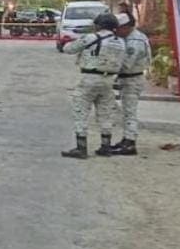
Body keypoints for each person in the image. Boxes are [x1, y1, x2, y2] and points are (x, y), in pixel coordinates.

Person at [61, 12, 127, 159]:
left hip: (90, 78)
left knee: (81, 111)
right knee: (105, 113)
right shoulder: (121, 42)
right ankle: (105, 146)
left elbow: (69, 49)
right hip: (109, 80)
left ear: (99, 25)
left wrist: (67, 43)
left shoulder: (91, 38)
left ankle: (81, 147)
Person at [111, 10, 150, 156]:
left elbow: (126, 64)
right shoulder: (131, 38)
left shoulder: (135, 42)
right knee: (127, 111)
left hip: (132, 79)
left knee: (129, 112)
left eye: (119, 28)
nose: (117, 31)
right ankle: (126, 139)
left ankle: (130, 143)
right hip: (128, 78)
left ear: (127, 27)